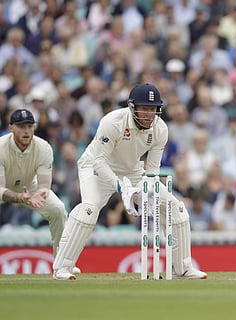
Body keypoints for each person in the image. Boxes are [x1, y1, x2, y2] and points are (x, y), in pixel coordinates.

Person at [52, 83, 207, 280]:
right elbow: (99, 160)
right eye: (145, 108)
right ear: (132, 107)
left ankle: (183, 268)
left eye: (153, 109)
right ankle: (62, 267)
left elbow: (152, 170)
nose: (149, 114)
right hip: (96, 167)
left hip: (132, 170)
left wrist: (149, 193)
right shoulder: (113, 121)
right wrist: (120, 187)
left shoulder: (160, 129)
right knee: (89, 209)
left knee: (174, 206)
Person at [0, 109, 75, 264]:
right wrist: (19, 197)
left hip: (30, 186)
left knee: (58, 210)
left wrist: (38, 194)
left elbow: (43, 185)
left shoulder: (44, 147)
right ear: (11, 128)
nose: (27, 131)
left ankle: (62, 264)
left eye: (30, 126)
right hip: (3, 188)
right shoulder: (1, 147)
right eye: (21, 127)